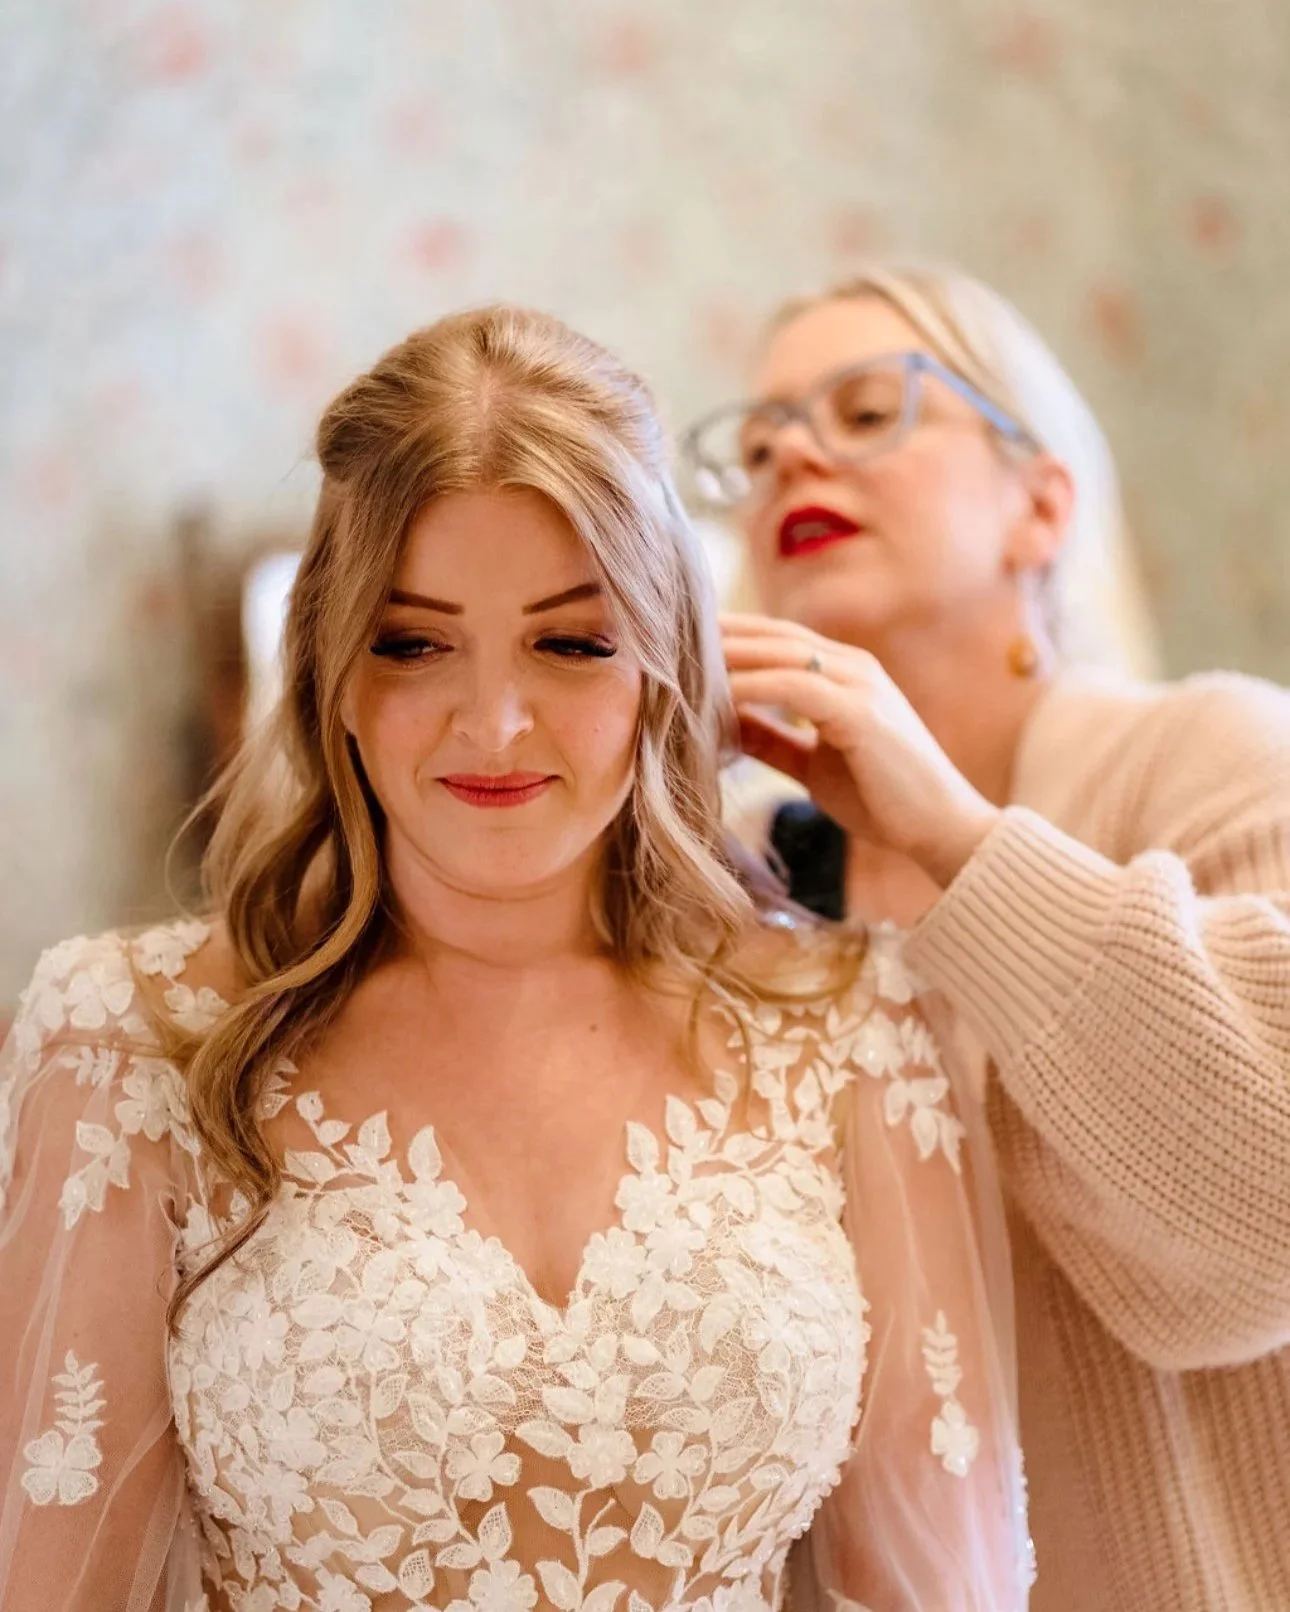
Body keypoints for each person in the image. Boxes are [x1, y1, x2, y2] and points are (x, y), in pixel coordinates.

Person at [0, 305, 1032, 1612]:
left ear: (661, 662)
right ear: (331, 665)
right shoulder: (130, 1044)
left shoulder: (850, 1029)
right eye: (413, 642)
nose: (492, 723)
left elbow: (929, 1587)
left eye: (572, 642)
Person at [681, 260, 1290, 1611]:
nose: (790, 458)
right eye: (760, 443)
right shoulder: (742, 891)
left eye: (865, 411)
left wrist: (959, 844)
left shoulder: (1220, 758)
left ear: (1040, 506)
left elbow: (1271, 1214)